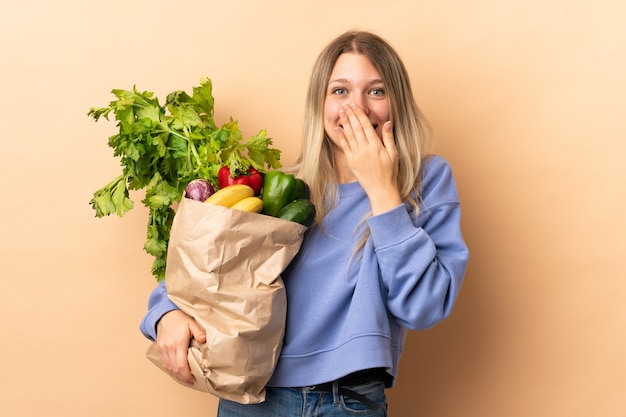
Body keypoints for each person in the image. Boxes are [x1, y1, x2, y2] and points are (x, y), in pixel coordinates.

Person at [140, 29, 469, 416]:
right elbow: (206, 267)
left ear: (397, 103)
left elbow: (424, 307)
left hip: (347, 402)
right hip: (252, 398)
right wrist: (166, 312)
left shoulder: (423, 180)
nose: (357, 108)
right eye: (340, 91)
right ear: (320, 103)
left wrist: (382, 191)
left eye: (376, 91)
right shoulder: (283, 187)